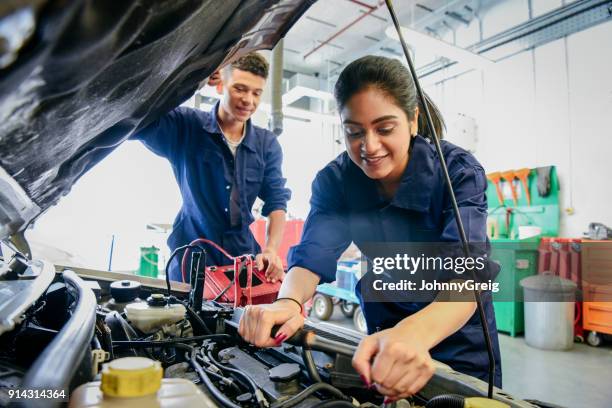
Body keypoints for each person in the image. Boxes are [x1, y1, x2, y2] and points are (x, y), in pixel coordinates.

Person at [237, 55, 502, 401]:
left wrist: (413, 335)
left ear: (412, 120)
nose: (370, 146)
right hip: (384, 338)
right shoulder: (336, 181)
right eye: (354, 132)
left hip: (458, 343)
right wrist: (287, 301)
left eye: (385, 129)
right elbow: (312, 254)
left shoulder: (458, 173)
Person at [133, 53, 291, 282]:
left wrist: (271, 250)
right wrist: (192, 79)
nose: (249, 100)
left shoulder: (266, 145)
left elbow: (277, 201)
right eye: (240, 88)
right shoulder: (186, 126)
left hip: (241, 263)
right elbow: (140, 117)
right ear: (220, 86)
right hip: (191, 262)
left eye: (256, 93)